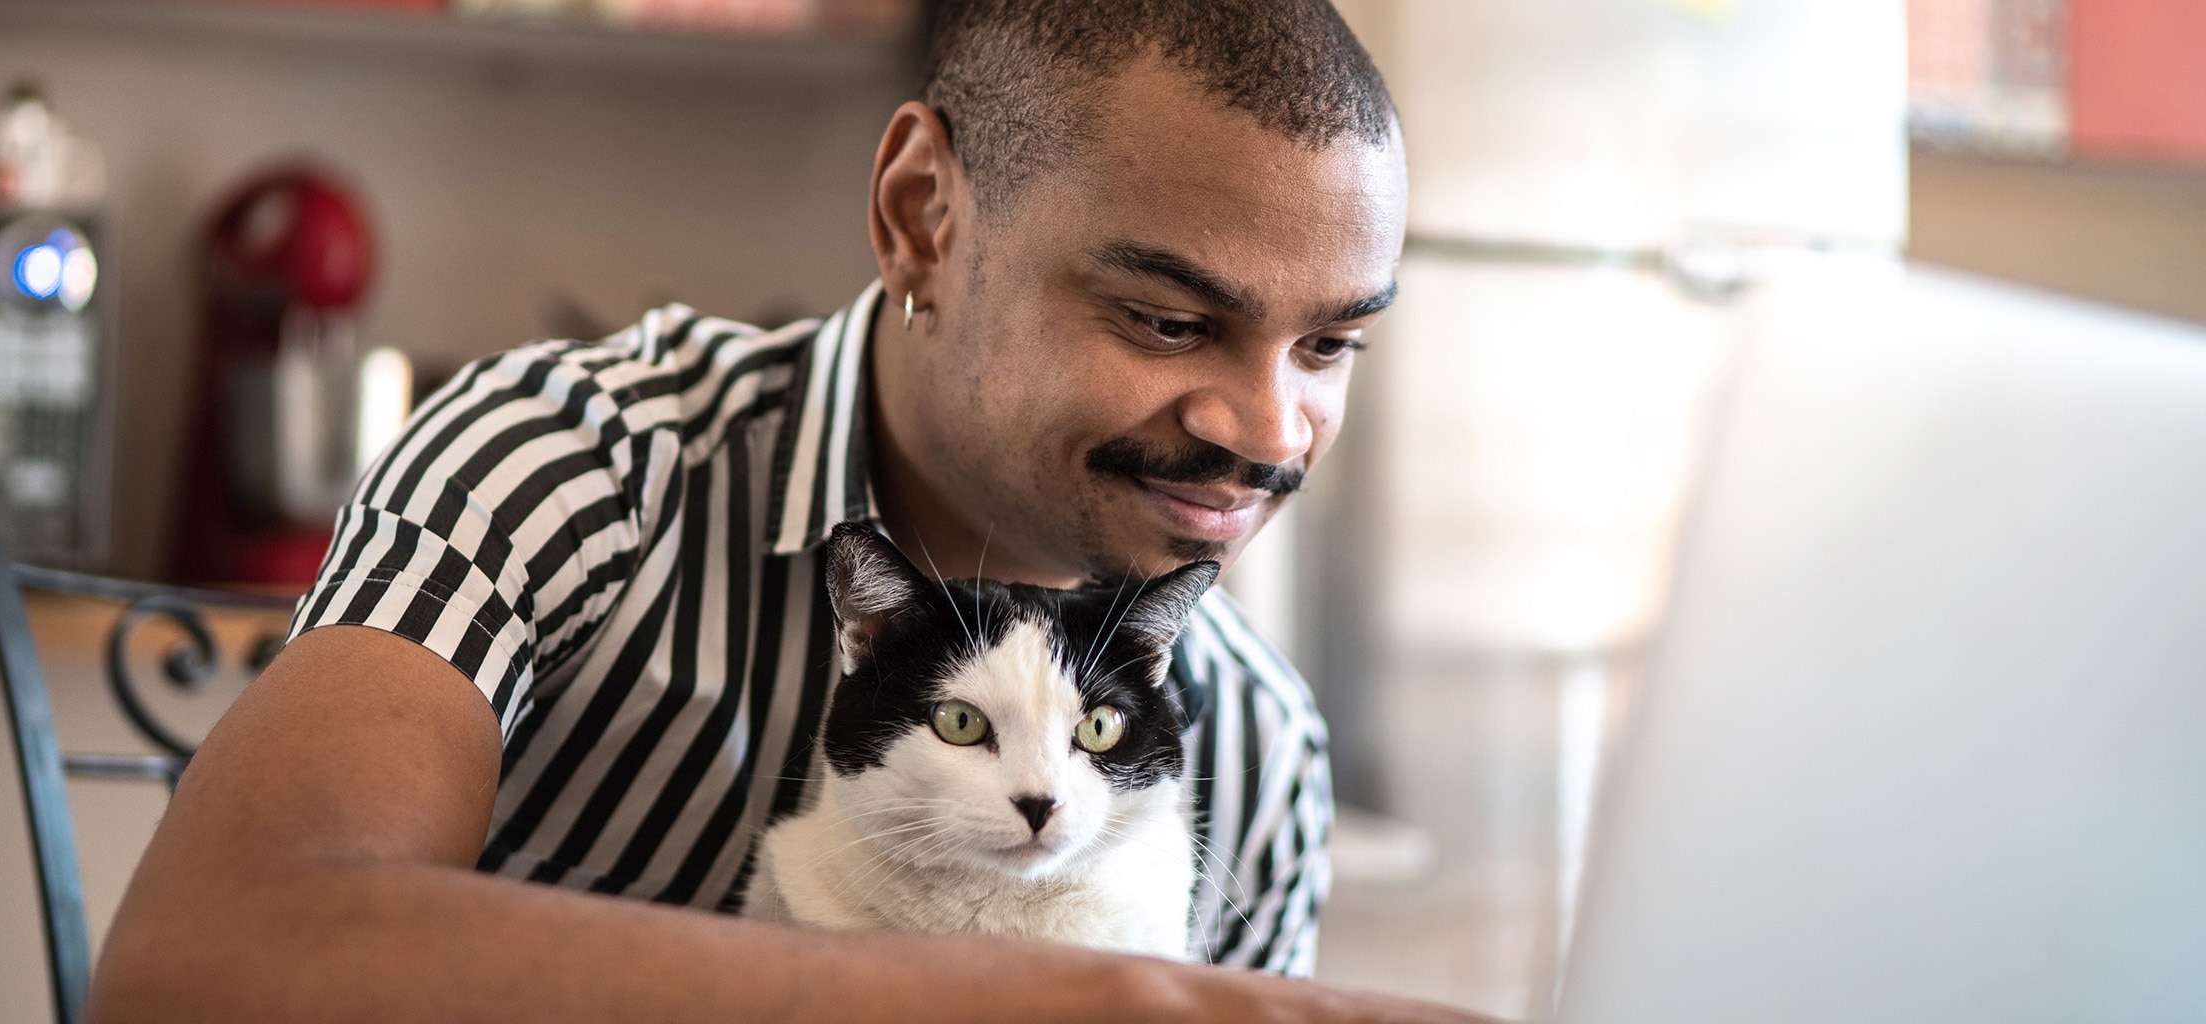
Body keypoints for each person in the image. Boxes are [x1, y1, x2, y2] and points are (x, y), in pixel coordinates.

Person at [91, 1, 1489, 1021]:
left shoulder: (1251, 748)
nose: (1265, 430)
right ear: (922, 216)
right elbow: (202, 963)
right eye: (1170, 319)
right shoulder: (572, 470)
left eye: (1329, 349)